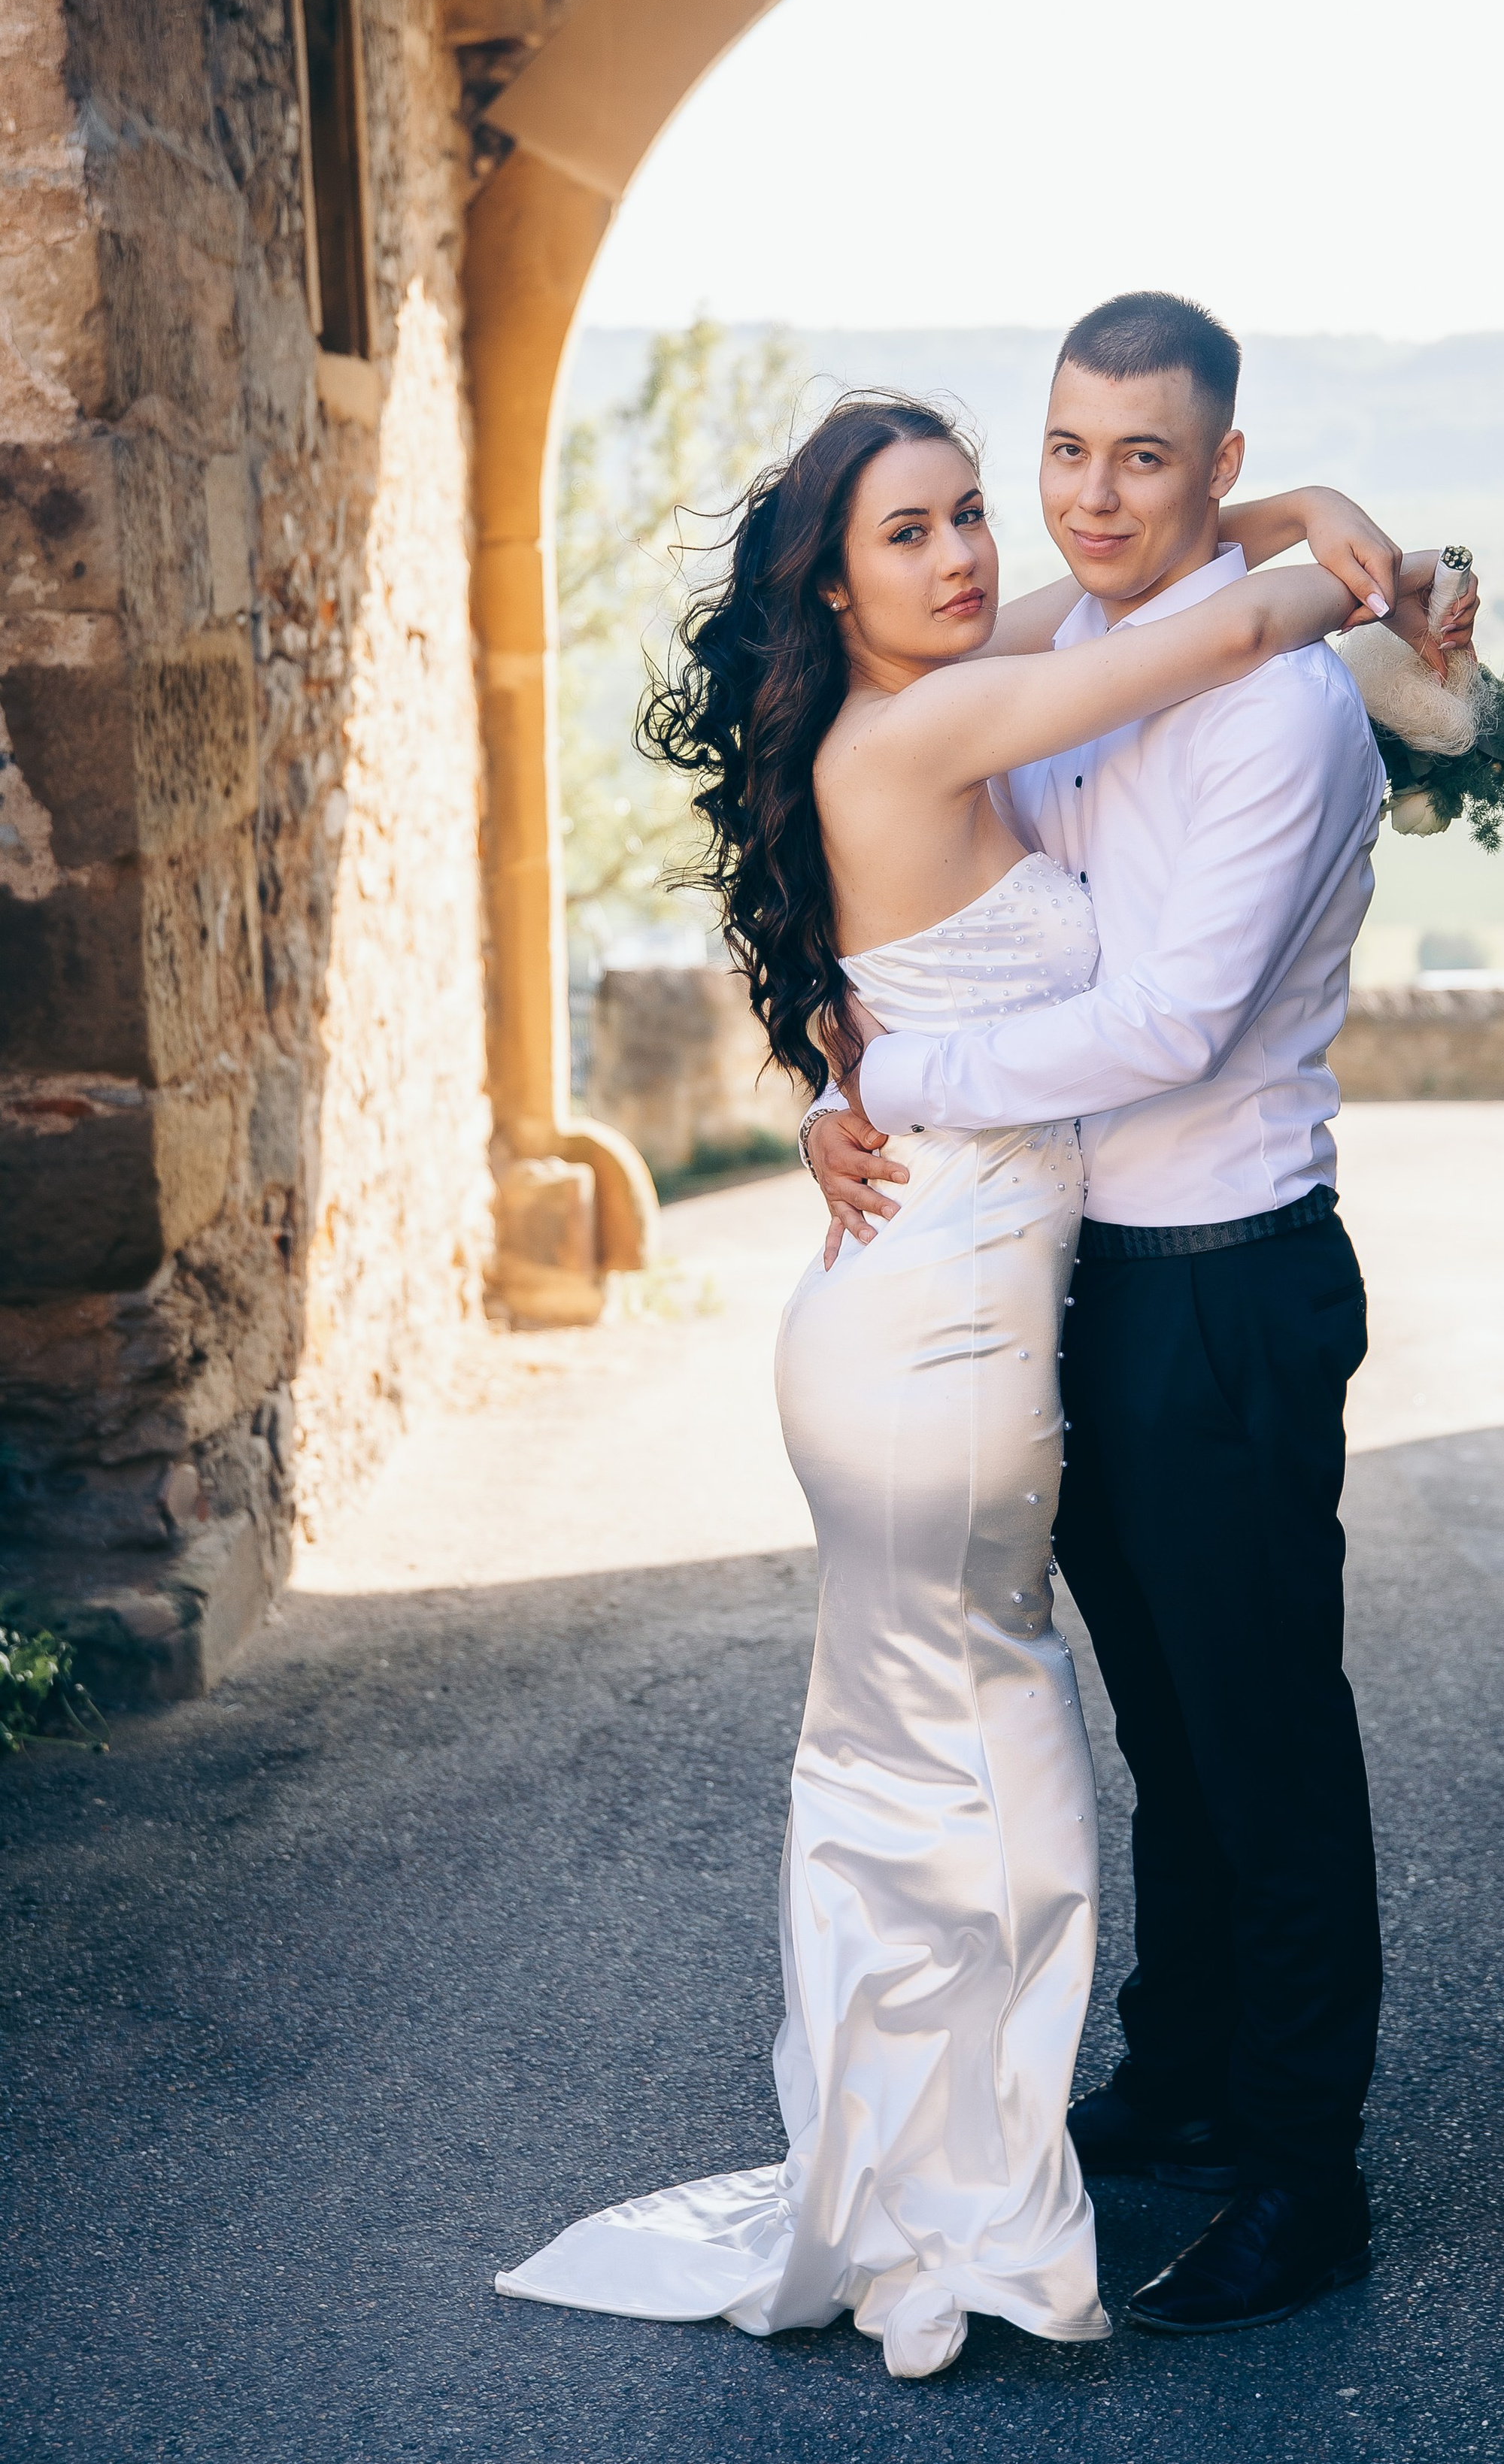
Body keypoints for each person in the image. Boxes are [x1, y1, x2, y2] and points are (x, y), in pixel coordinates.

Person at [494, 377, 1448, 2378]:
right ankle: (971, 2190)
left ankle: (1039, 2153)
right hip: (934, 1335)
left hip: (982, 1305)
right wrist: (1325, 532)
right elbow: (1211, 619)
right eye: (911, 530)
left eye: (962, 516)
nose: (972, 553)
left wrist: (1288, 513)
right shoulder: (928, 717)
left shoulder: (941, 673)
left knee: (981, 1757)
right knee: (989, 1768)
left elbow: (1135, 593)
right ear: (835, 594)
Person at [811, 292, 1462, 2341]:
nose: (1095, 495)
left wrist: (891, 1088)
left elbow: (1167, 1022)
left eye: (1148, 456)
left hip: (1228, 1280)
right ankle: (1183, 2067)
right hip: (1086, 1276)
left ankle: (1304, 2167)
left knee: (1266, 1734)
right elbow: (958, 912)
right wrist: (845, 1063)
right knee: (1166, 1718)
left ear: (1216, 454)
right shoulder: (1084, 637)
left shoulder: (1286, 711)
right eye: (1069, 450)